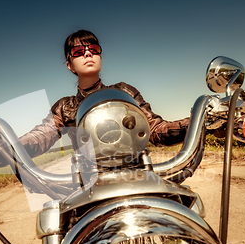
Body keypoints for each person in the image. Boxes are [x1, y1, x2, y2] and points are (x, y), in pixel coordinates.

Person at [19, 29, 190, 158]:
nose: (87, 53)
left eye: (93, 49)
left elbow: (155, 129)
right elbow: (41, 136)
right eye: (78, 52)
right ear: (69, 65)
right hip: (90, 185)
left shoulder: (124, 91)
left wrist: (200, 120)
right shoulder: (64, 108)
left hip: (136, 175)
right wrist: (10, 147)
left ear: (100, 56)